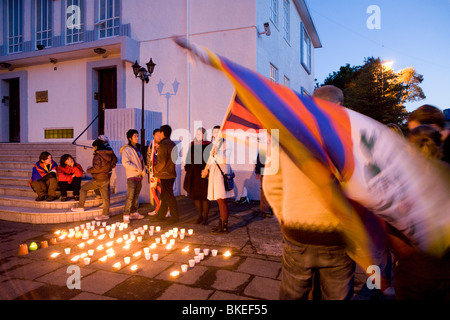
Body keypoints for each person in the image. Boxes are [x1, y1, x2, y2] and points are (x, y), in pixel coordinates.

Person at [262, 85, 356, 299]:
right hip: (338, 235)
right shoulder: (352, 138)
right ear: (340, 106)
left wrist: (287, 217)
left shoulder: (286, 135)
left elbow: (272, 184)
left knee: (293, 293)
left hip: (298, 232)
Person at [71, 138, 117, 220]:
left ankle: (81, 207)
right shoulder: (110, 153)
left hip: (98, 179)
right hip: (106, 178)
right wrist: (108, 167)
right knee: (106, 199)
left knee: (83, 189)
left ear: (96, 146)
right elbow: (114, 161)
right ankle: (105, 214)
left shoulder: (98, 155)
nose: (93, 148)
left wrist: (89, 170)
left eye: (93, 147)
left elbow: (97, 168)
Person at [201, 126, 235, 234]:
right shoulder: (215, 144)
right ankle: (221, 225)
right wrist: (206, 170)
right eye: (214, 132)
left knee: (222, 200)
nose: (215, 134)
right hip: (215, 173)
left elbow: (225, 160)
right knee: (219, 199)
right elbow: (211, 160)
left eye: (217, 132)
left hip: (222, 172)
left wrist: (217, 151)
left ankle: (224, 226)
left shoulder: (226, 144)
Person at [151, 125, 179, 224]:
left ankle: (175, 217)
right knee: (165, 195)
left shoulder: (163, 145)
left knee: (169, 196)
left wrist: (155, 169)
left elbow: (161, 161)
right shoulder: (173, 144)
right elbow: (175, 158)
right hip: (171, 173)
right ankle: (161, 215)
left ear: (163, 133)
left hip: (165, 174)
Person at [184, 127, 212, 225]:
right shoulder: (192, 145)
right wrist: (186, 168)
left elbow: (211, 159)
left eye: (201, 133)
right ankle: (199, 216)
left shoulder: (209, 145)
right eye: (198, 133)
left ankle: (205, 217)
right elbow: (188, 157)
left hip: (204, 173)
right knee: (196, 196)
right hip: (194, 174)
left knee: (205, 196)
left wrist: (207, 170)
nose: (199, 135)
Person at [120, 129, 146, 220]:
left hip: (139, 176)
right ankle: (126, 214)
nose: (137, 138)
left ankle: (134, 212)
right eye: (135, 136)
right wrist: (137, 169)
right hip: (132, 176)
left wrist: (143, 171)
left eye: (137, 136)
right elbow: (125, 163)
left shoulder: (138, 148)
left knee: (135, 197)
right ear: (130, 138)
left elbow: (142, 161)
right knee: (130, 197)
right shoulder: (127, 149)